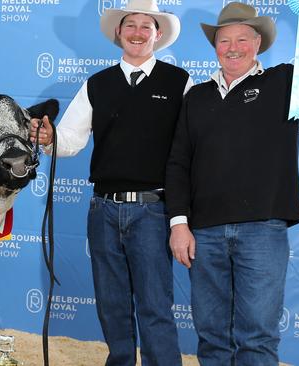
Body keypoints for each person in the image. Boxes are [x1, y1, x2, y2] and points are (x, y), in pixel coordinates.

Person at [165, 3, 299, 365]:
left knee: (256, 338)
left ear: (258, 43)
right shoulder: (196, 97)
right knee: (211, 338)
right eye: (225, 40)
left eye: (242, 39)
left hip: (263, 230)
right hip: (203, 233)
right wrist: (179, 223)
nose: (233, 47)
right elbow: (178, 164)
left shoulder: (286, 82)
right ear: (215, 46)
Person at [31, 0, 192, 364]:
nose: (137, 33)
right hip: (103, 209)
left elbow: (191, 148)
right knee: (112, 304)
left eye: (145, 26)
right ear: (118, 32)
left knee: (155, 303)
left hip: (154, 209)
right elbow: (70, 139)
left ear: (158, 34)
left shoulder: (179, 82)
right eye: (129, 25)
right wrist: (49, 136)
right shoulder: (97, 84)